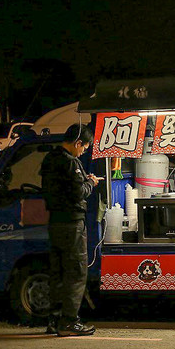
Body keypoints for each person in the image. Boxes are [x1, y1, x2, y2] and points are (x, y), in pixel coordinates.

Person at [40, 123, 102, 336]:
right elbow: (78, 192)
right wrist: (91, 183)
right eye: (84, 147)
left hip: (55, 222)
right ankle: (69, 322)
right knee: (76, 272)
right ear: (77, 143)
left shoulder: (49, 159)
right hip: (72, 224)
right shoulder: (70, 163)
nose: (84, 151)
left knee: (58, 272)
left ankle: (54, 319)